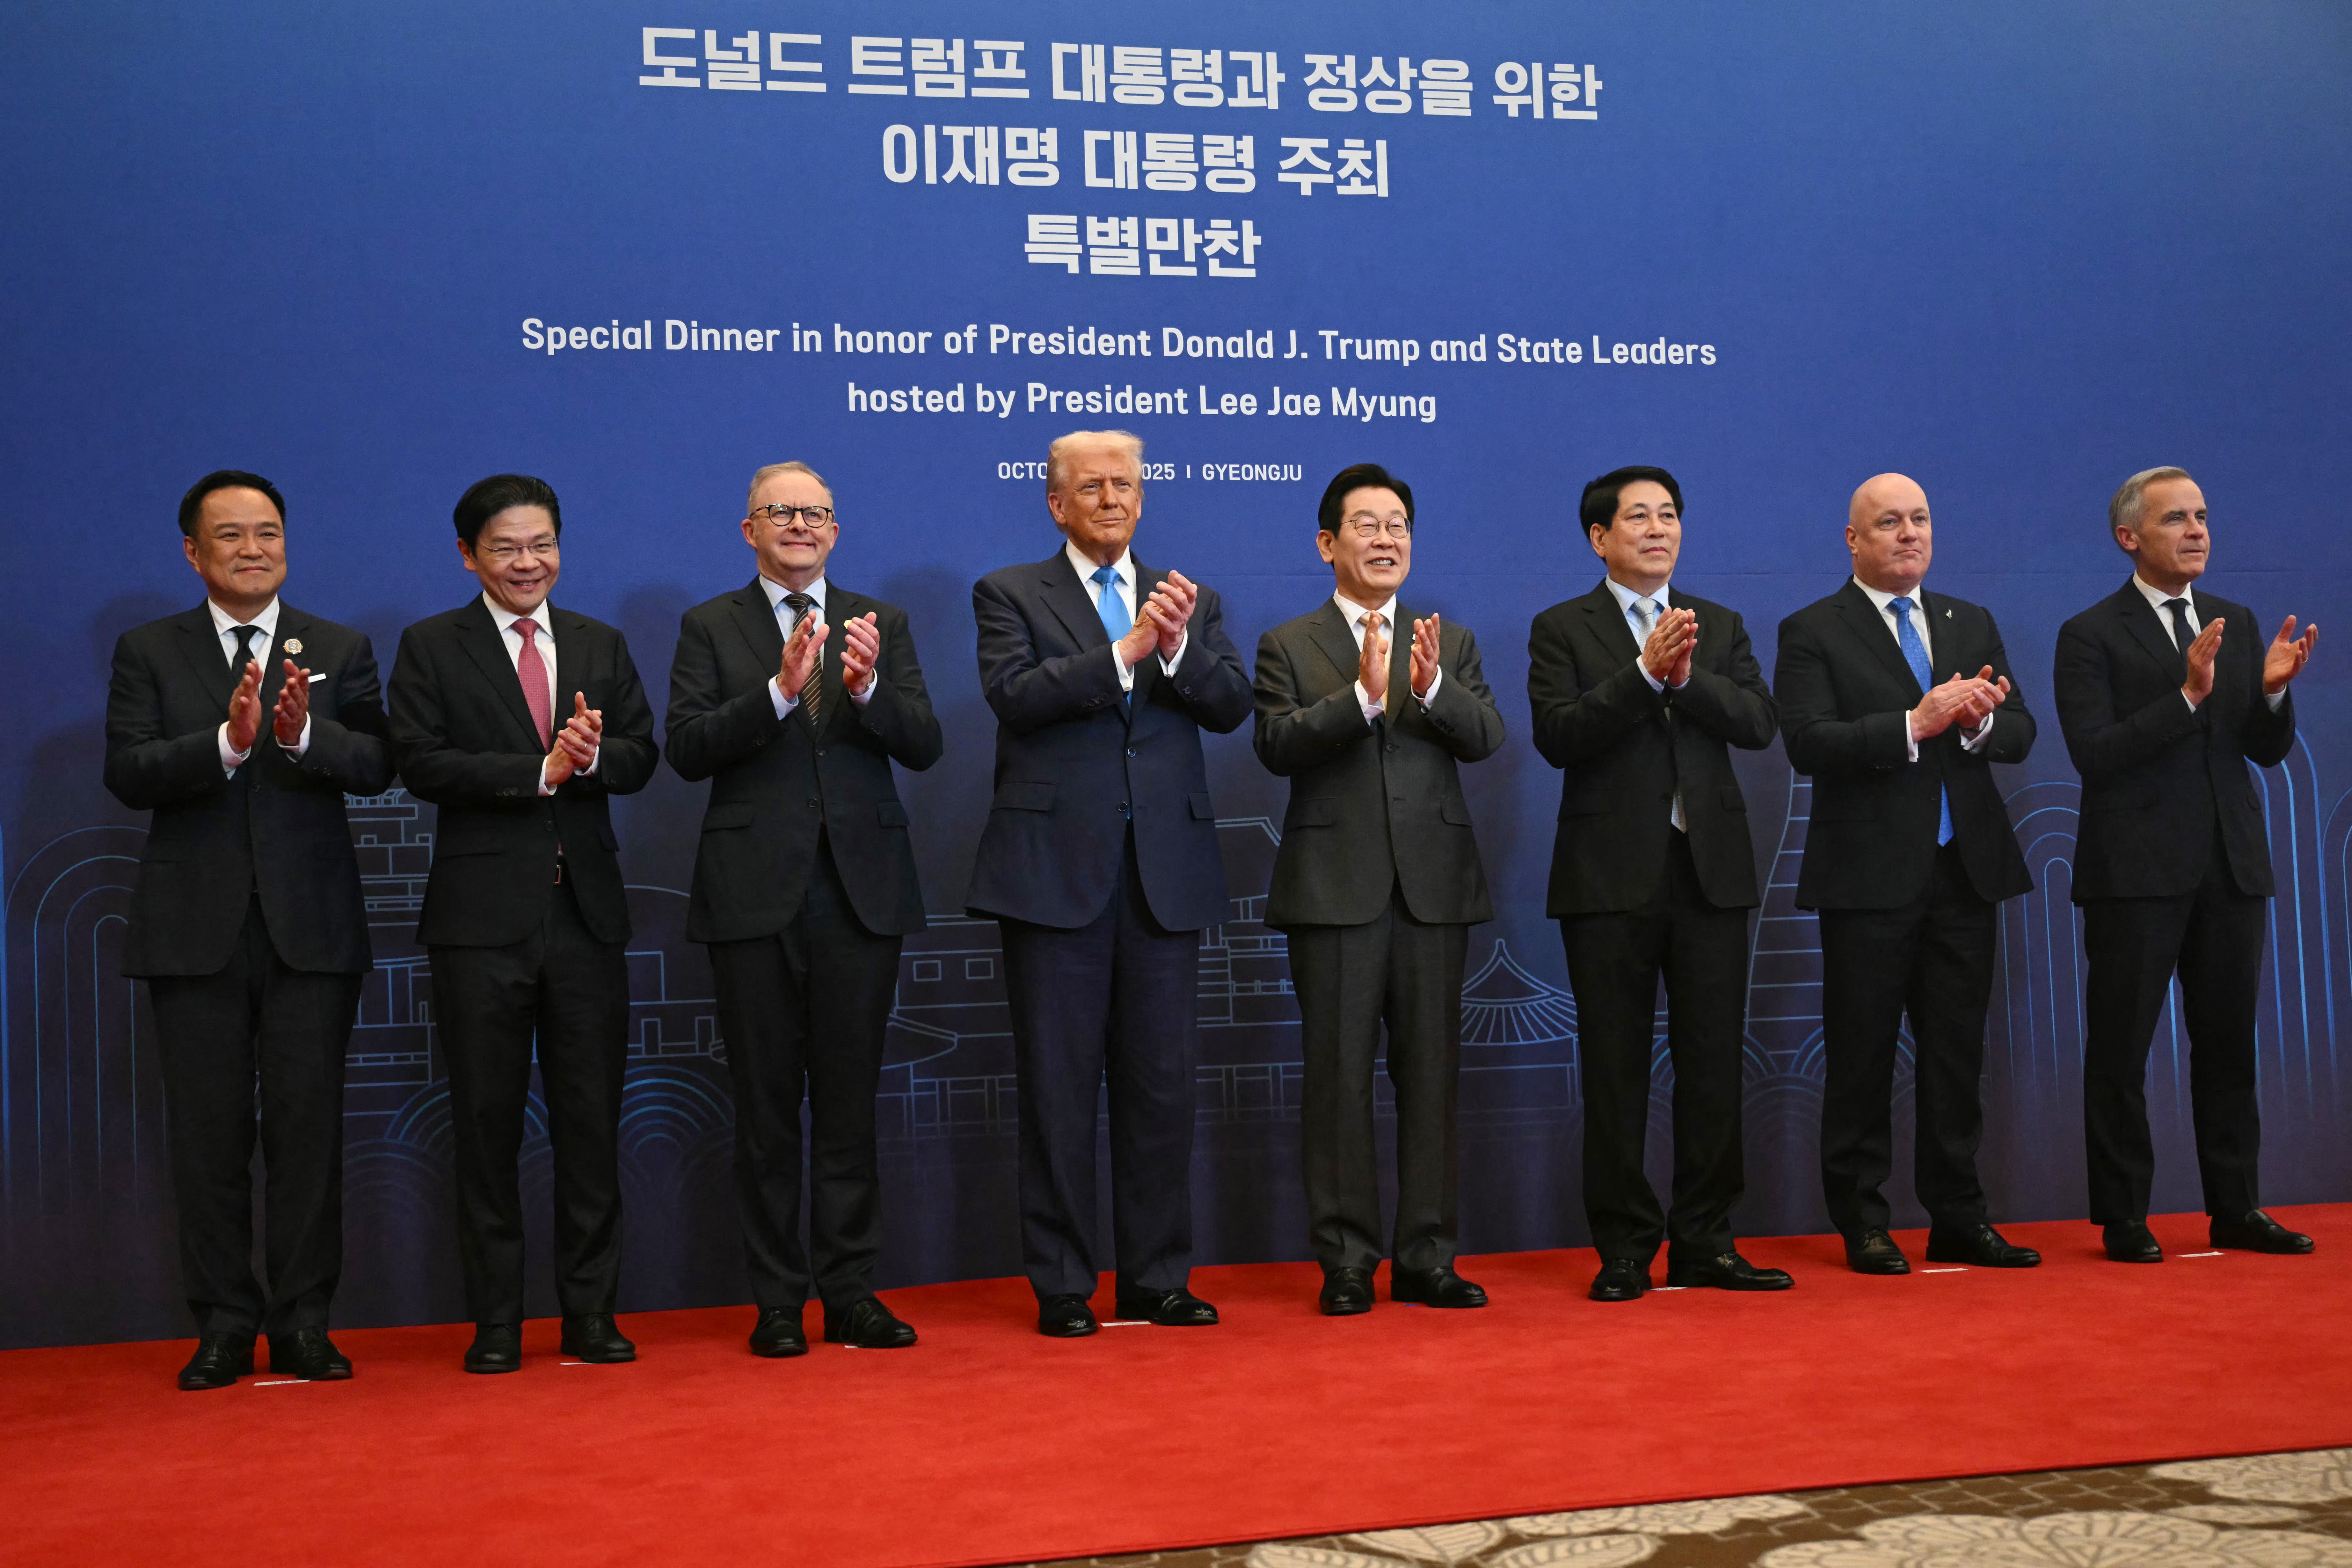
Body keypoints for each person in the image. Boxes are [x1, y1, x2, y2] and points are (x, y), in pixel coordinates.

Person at [104, 470, 394, 1389]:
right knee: (209, 1137)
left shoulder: (338, 649)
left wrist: (304, 736)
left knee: (309, 1135)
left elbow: (380, 763)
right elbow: (129, 770)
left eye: (267, 532)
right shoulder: (151, 650)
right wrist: (228, 745)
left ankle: (305, 1322)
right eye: (230, 536)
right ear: (193, 552)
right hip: (195, 933)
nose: (252, 549)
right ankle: (225, 1322)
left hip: (310, 930)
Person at [968, 429, 1253, 1337]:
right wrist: (1129, 650)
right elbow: (1016, 696)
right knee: (1057, 1092)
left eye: (1124, 486)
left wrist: (1172, 650)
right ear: (1056, 504)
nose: (1111, 501)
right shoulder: (1009, 592)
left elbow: (1229, 703)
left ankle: (1156, 1278)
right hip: (1054, 877)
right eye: (1090, 489)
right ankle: (1060, 1285)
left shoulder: (1187, 598)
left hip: (1162, 879)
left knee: (1161, 1091)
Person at [665, 461, 943, 1356]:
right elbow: (688, 749)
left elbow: (926, 745)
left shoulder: (880, 623)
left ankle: (852, 1291)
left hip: (859, 892)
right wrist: (781, 693)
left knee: (852, 1105)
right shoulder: (710, 624)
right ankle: (777, 1299)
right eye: (779, 512)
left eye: (814, 513)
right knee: (766, 1106)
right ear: (748, 530)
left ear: (835, 529)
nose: (798, 525)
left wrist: (863, 690)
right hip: (753, 894)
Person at [387, 474, 658, 1372]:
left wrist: (588, 759)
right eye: (507, 547)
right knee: (485, 1124)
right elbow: (421, 763)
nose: (528, 562)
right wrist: (536, 770)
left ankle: (590, 1315)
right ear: (469, 554)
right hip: (479, 923)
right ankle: (496, 1322)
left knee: (591, 1124)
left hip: (584, 918)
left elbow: (641, 754)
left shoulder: (597, 641)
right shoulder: (432, 646)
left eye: (542, 543)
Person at [1527, 466, 1788, 1302]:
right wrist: (1640, 677)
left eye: (1668, 515)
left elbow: (1755, 723)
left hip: (1708, 874)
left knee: (1712, 1065)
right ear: (1598, 537)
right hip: (1608, 880)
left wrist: (1685, 678)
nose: (1656, 528)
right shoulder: (1560, 627)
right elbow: (1558, 737)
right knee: (1615, 1071)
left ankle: (1707, 1240)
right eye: (1636, 517)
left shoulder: (1720, 623)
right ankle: (1625, 1249)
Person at [1252, 463, 1506, 1316]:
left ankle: (1428, 1256)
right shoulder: (1288, 644)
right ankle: (1347, 1262)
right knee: (1337, 1081)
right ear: (1328, 544)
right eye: (1366, 525)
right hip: (1333, 893)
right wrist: (1358, 699)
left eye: (1397, 524)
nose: (1385, 538)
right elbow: (1276, 746)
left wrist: (1428, 686)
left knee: (1431, 1079)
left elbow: (1487, 736)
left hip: (1432, 892)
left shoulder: (1450, 641)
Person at [1775, 473, 2042, 1275]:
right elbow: (1807, 742)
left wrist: (1979, 720)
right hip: (1867, 878)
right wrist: (1911, 724)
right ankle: (1862, 1221)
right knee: (1861, 1055)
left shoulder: (1970, 620)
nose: (1909, 535)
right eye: (1888, 523)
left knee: (1957, 1056)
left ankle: (1960, 1216)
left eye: (1920, 520)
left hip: (1966, 871)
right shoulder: (1813, 628)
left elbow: (2021, 730)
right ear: (1853, 541)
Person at [2053, 467, 2318, 1263]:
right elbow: (2096, 756)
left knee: (2231, 1047)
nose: (2198, 531)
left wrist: (2270, 694)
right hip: (2134, 876)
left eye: (2203, 516)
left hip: (2230, 871)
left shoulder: (2235, 621)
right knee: (2122, 1051)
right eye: (2177, 519)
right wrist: (2189, 697)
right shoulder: (2089, 634)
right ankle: (2125, 1217)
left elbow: (2261, 755)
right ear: (2130, 537)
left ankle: (2236, 1208)